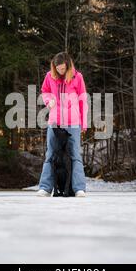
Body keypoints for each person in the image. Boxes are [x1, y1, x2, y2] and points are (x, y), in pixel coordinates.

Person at [36, 52, 88, 198]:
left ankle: (79, 188)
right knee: (51, 154)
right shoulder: (49, 76)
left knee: (75, 155)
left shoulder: (78, 77)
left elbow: (83, 100)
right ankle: (45, 188)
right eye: (57, 69)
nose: (60, 71)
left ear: (68, 66)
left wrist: (84, 123)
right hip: (54, 122)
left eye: (63, 69)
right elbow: (45, 91)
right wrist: (48, 101)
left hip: (73, 122)